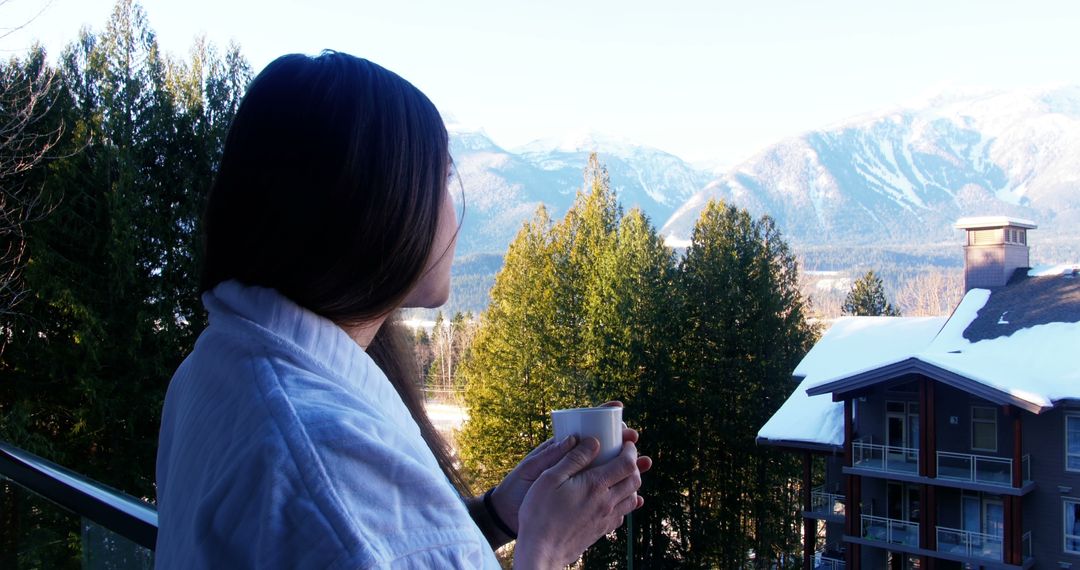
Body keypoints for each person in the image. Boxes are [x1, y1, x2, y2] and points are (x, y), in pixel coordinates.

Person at [155, 50, 651, 569]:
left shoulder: (214, 370)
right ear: (381, 207)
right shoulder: (328, 461)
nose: (454, 211)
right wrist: (546, 548)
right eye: (444, 179)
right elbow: (348, 533)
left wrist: (498, 514)